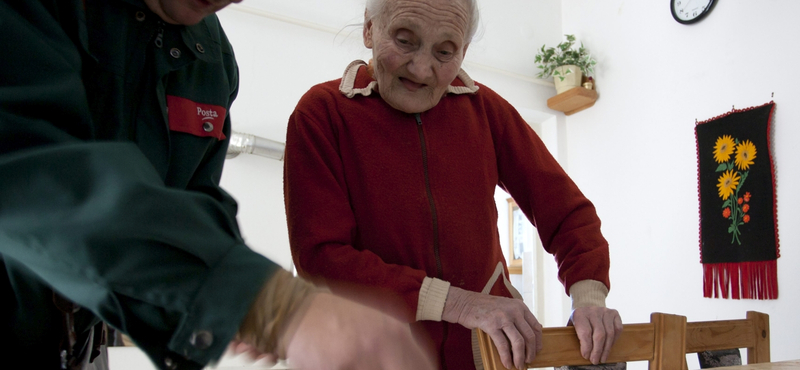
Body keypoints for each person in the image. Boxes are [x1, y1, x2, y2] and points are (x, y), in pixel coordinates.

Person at [0, 1, 435, 369]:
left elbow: (188, 209)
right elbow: (29, 171)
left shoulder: (210, 59)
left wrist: (230, 311)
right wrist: (269, 306)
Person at [283, 0, 623, 369]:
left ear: (463, 51)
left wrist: (589, 299)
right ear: (369, 29)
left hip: (486, 356)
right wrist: (458, 304)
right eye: (405, 40)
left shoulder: (485, 111)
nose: (422, 69)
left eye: (445, 51)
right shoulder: (322, 114)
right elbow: (322, 258)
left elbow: (567, 211)